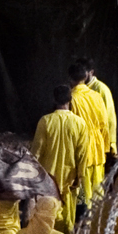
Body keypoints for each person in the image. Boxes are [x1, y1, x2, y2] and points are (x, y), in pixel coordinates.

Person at [33, 87, 96, 223]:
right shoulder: (80, 123)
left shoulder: (45, 121)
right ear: (70, 100)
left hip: (47, 180)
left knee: (47, 219)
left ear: (54, 100)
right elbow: (82, 155)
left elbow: (36, 152)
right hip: (69, 180)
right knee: (67, 219)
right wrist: (79, 177)